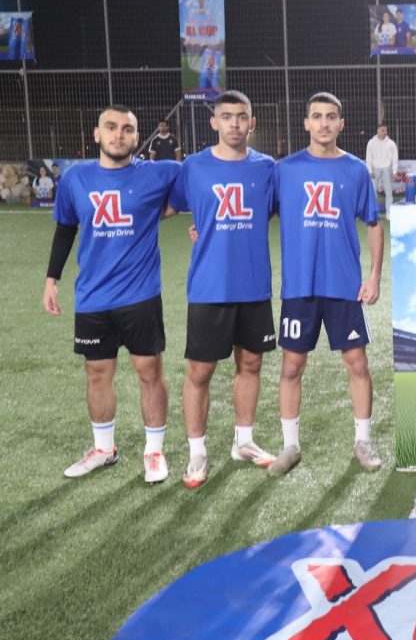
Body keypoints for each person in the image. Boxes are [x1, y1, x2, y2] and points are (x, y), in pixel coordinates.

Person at [43, 105, 180, 483]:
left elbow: (197, 190)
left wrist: (185, 220)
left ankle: (154, 452)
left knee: (149, 371)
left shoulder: (158, 173)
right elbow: (65, 228)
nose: (119, 134)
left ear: (137, 137)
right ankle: (104, 449)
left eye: (127, 129)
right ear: (97, 134)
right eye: (111, 127)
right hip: (93, 296)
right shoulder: (76, 178)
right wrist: (51, 279)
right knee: (97, 372)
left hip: (140, 294)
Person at [267, 92, 384, 476]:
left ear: (341, 124)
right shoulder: (285, 170)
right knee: (291, 366)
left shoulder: (355, 170)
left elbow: (374, 224)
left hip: (343, 286)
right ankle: (290, 446)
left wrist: (374, 275)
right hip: (299, 287)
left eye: (331, 116)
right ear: (306, 123)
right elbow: (255, 215)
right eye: (316, 116)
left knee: (357, 364)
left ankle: (363, 441)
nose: (323, 123)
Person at [168, 90, 277, 488]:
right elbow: (169, 207)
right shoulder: (194, 167)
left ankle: (243, 441)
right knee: (201, 370)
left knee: (251, 364)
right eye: (227, 116)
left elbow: (278, 210)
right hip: (209, 287)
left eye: (241, 116)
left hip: (253, 286)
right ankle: (197, 452)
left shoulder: (267, 168)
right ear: (214, 122)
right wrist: (198, 226)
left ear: (251, 123)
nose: (234, 123)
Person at [365, 122, 399, 217]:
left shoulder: (391, 143)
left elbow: (395, 158)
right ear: (378, 131)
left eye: (386, 130)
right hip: (375, 169)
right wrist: (370, 170)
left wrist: (394, 171)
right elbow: (368, 158)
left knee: (389, 192)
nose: (385, 132)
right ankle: (373, 212)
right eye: (383, 130)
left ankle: (389, 213)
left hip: (387, 169)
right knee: (372, 192)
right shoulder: (371, 143)